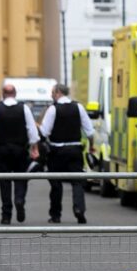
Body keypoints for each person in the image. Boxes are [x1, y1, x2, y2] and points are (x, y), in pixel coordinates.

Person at [0, 85, 41, 224]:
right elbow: (32, 130)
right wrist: (34, 147)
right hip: (20, 149)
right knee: (21, 177)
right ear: (15, 93)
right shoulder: (24, 108)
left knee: (4, 181)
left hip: (2, 150)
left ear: (3, 94)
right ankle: (19, 199)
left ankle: (6, 215)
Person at [39, 84, 94, 224]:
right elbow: (90, 131)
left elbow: (45, 132)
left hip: (57, 151)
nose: (51, 95)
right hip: (75, 150)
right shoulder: (78, 107)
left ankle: (56, 215)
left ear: (58, 92)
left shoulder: (53, 109)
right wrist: (91, 145)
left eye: (52, 92)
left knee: (56, 184)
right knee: (77, 182)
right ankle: (79, 209)